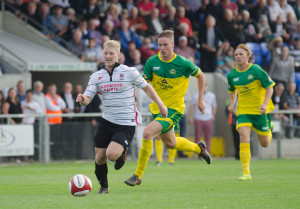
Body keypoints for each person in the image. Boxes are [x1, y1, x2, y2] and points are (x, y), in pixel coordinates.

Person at [76, 40, 168, 194]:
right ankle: (104, 187)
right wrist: (82, 99)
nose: (108, 56)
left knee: (111, 155)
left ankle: (122, 152)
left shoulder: (129, 71)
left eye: (111, 53)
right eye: (105, 53)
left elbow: (146, 88)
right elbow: (88, 98)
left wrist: (161, 105)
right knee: (99, 157)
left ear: (118, 55)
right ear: (102, 54)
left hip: (126, 121)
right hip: (107, 120)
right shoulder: (96, 76)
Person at [124, 30, 211, 187]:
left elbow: (201, 76)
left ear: (172, 45)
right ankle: (199, 149)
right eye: (159, 45)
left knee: (147, 133)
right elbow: (144, 84)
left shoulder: (183, 63)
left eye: (165, 45)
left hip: (174, 109)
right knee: (171, 143)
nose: (162, 48)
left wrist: (200, 100)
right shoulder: (151, 62)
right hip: (157, 108)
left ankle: (137, 175)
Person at [227, 44, 275, 181]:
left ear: (248, 56)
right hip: (243, 111)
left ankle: (269, 129)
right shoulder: (232, 75)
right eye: (236, 55)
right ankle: (246, 172)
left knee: (265, 143)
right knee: (243, 137)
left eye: (241, 54)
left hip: (260, 111)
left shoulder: (256, 70)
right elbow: (232, 91)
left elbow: (270, 87)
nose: (238, 57)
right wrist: (232, 104)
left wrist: (265, 104)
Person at [188, 81, 217, 153]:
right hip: (198, 118)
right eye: (202, 85)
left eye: (205, 85)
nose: (204, 87)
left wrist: (213, 115)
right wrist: (190, 117)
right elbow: (192, 107)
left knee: (207, 136)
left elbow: (214, 106)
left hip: (208, 118)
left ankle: (207, 152)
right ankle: (196, 152)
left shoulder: (212, 95)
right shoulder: (195, 95)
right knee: (197, 135)